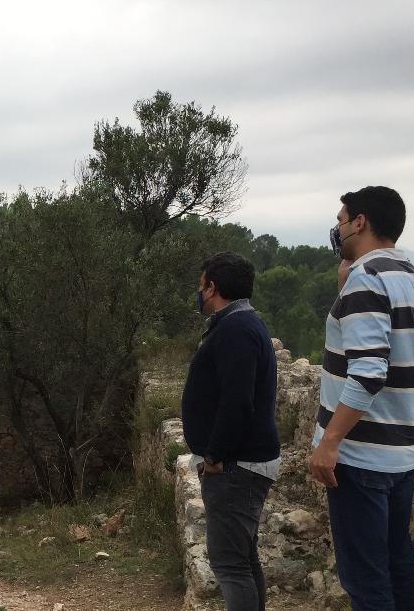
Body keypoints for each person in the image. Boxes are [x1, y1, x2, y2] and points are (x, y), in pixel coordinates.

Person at [310, 186, 414, 611]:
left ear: (360, 222)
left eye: (341, 220)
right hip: (403, 448)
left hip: (362, 453)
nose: (338, 228)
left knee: (366, 579)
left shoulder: (369, 277)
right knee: (399, 564)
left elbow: (368, 372)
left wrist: (330, 441)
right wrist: (347, 281)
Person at [181, 252, 281, 611]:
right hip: (243, 463)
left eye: (201, 284)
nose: (198, 291)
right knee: (244, 559)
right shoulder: (240, 325)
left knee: (229, 564)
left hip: (237, 466)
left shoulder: (236, 329)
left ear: (212, 287)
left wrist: (215, 456)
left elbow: (237, 401)